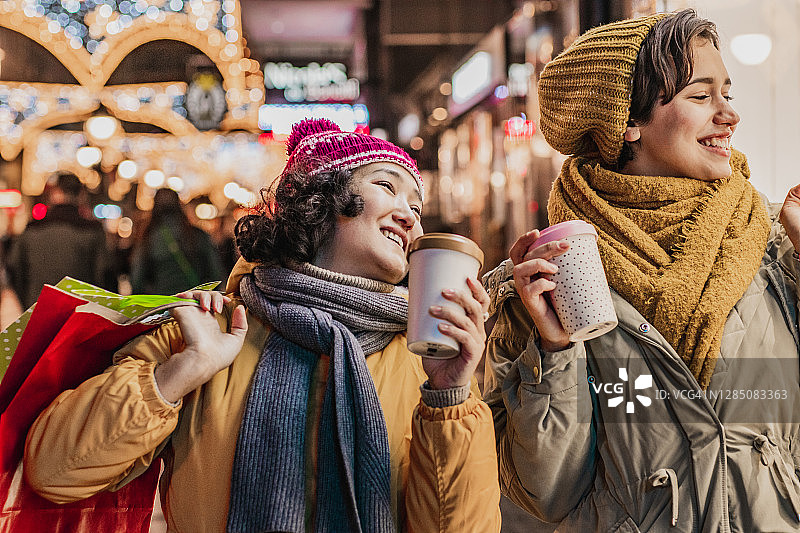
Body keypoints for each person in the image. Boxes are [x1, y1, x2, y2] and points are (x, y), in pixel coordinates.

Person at [24, 118, 501, 532]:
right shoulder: (206, 331)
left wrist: (450, 397)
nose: (410, 217)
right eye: (387, 186)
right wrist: (177, 374)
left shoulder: (427, 362)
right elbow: (53, 471)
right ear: (320, 198)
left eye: (417, 207)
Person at [483, 9, 800, 532]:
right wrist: (554, 351)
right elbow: (547, 492)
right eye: (701, 96)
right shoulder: (555, 274)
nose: (730, 114)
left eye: (727, 93)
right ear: (627, 122)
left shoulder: (772, 241)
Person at [7, 172, 111, 308]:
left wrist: (27, 301)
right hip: (79, 311)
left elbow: (14, 269)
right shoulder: (91, 231)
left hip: (37, 308)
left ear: (54, 194)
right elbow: (105, 274)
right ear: (81, 195)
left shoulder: (33, 230)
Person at [130, 187, 224, 295]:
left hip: (163, 301)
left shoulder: (148, 238)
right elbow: (215, 272)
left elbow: (137, 279)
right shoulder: (197, 234)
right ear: (179, 205)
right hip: (193, 300)